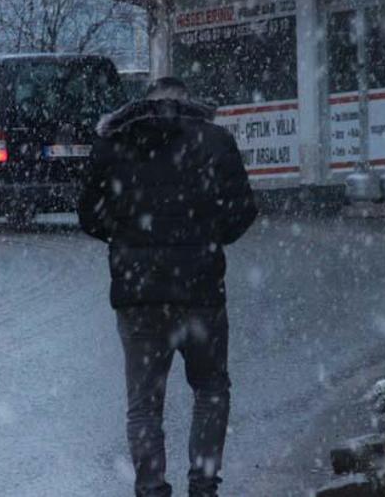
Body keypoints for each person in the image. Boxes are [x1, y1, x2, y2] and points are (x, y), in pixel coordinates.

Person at [78, 77, 258, 497]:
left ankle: (152, 488)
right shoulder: (214, 140)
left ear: (145, 103)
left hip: (139, 296)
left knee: (144, 404)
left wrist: (127, 241)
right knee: (211, 388)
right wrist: (209, 237)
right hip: (200, 291)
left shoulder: (115, 143)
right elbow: (242, 210)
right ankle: (204, 484)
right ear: (187, 102)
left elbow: (88, 214)